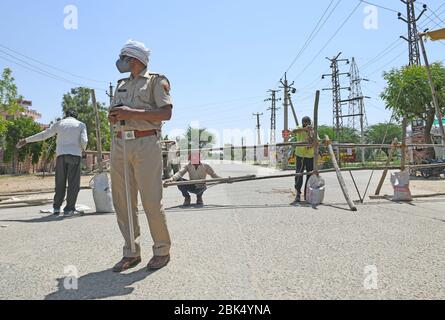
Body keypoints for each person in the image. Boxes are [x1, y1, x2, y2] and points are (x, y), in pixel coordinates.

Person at [108, 40, 172, 272]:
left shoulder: (156, 80)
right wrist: (114, 116)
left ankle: (162, 250)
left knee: (151, 200)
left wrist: (131, 112)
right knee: (122, 201)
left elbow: (166, 113)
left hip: (146, 143)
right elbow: (116, 111)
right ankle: (131, 252)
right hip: (120, 144)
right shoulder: (121, 84)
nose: (120, 62)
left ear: (134, 59)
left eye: (123, 57)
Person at [16, 109, 88, 217]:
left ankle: (56, 208)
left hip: (61, 156)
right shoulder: (81, 125)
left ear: (66, 115)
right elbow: (84, 141)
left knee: (60, 183)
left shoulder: (59, 124)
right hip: (74, 156)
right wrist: (83, 148)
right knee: (73, 184)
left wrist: (26, 140)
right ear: (76, 116)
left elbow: (44, 135)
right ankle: (69, 210)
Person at [290, 116, 316, 204]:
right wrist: (304, 129)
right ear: (302, 123)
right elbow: (293, 131)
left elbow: (317, 141)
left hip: (310, 155)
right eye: (305, 122)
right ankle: (298, 193)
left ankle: (307, 194)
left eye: (308, 122)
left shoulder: (313, 130)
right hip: (300, 155)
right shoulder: (299, 128)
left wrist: (312, 143)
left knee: (310, 175)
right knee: (299, 174)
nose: (307, 123)